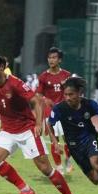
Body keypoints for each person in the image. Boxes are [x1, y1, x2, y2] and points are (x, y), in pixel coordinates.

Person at [0, 52, 79, 194]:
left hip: (27, 129)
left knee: (45, 168)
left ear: (2, 67)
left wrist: (39, 123)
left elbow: (37, 101)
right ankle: (25, 190)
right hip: (8, 130)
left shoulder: (15, 84)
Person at [36, 47, 73, 175]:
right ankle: (58, 167)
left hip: (65, 112)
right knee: (54, 140)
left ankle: (68, 159)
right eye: (49, 57)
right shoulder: (43, 76)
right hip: (50, 112)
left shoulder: (66, 75)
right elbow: (38, 95)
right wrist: (45, 99)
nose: (51, 60)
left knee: (68, 139)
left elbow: (72, 93)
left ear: (59, 60)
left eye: (54, 58)